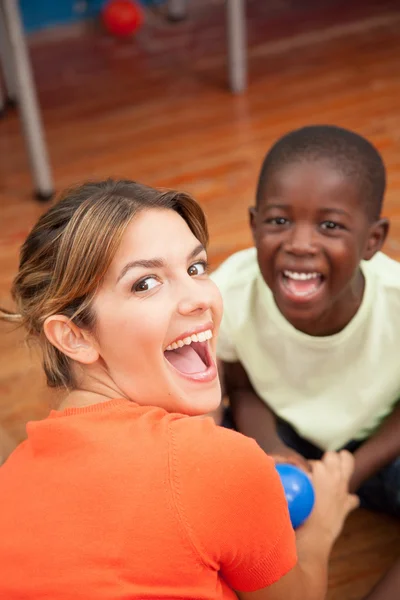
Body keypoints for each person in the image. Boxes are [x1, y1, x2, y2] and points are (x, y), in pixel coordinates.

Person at [0, 179, 357, 599]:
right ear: (74, 336)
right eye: (145, 283)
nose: (197, 298)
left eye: (195, 268)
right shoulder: (219, 465)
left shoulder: (12, 478)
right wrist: (320, 530)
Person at [211, 125, 400, 517]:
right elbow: (241, 389)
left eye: (330, 225)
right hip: (282, 434)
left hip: (377, 450)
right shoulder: (228, 293)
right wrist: (273, 452)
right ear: (254, 225)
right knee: (202, 456)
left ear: (373, 240)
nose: (299, 244)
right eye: (279, 221)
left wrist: (347, 475)